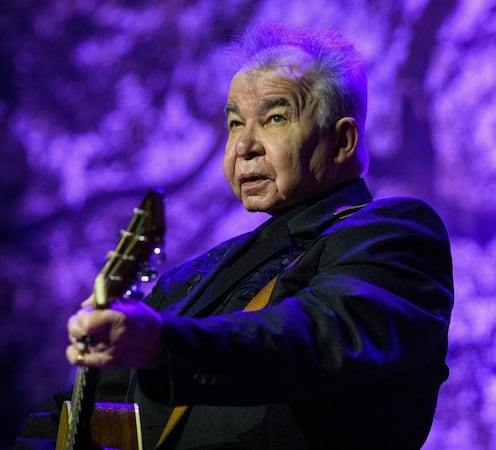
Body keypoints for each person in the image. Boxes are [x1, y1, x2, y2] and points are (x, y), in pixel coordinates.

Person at [15, 22, 453, 449]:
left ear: (342, 142)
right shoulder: (191, 278)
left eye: (275, 118)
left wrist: (162, 344)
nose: (244, 146)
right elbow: (95, 401)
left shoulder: (395, 233)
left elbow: (316, 336)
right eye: (235, 124)